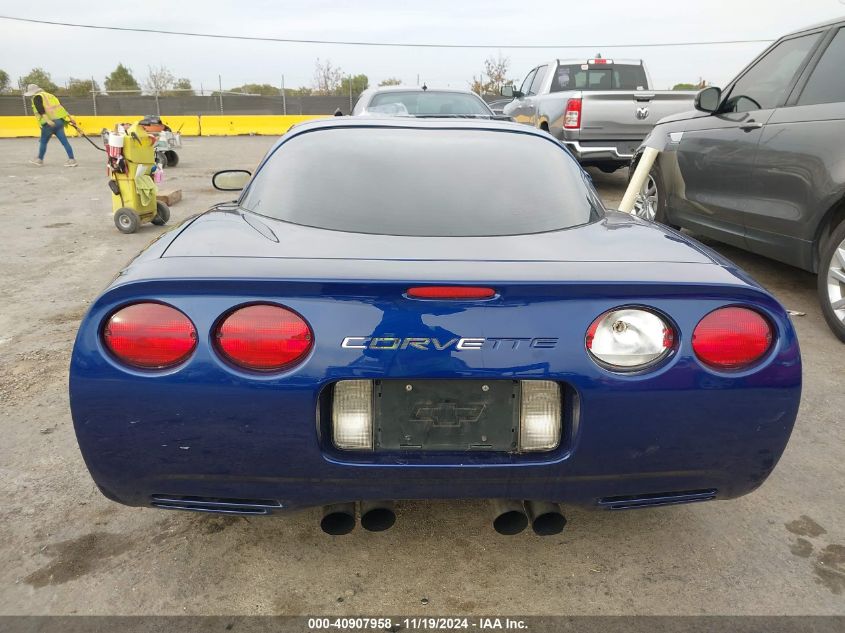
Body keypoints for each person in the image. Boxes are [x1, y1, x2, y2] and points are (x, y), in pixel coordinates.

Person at [24, 84, 78, 167]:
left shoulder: (37, 97)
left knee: (43, 142)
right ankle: (72, 160)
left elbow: (40, 110)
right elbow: (61, 108)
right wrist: (70, 118)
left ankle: (39, 159)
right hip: (59, 122)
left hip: (49, 124)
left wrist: (48, 120)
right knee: (64, 142)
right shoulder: (50, 96)